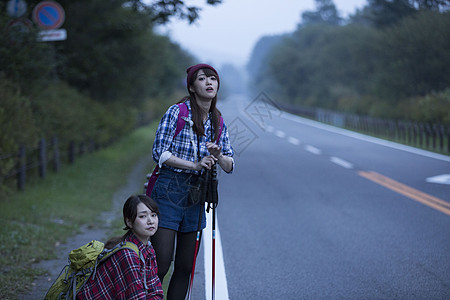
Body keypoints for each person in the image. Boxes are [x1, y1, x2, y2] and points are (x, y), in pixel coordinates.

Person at [151, 63, 234, 299]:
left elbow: (230, 165)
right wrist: (195, 165)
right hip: (169, 190)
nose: (209, 82)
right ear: (191, 86)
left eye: (213, 79)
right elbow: (160, 153)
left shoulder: (218, 120)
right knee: (161, 265)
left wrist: (218, 156)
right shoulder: (177, 112)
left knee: (186, 267)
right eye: (202, 79)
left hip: (196, 197)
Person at [77, 194, 164, 299]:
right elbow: (136, 297)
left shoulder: (148, 249)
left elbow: (156, 291)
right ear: (129, 222)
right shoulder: (128, 255)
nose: (150, 221)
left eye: (153, 215)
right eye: (142, 216)